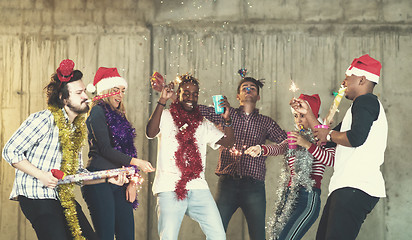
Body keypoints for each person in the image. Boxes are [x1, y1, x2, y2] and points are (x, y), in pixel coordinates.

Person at [2, 59, 128, 240]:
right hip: (36, 196)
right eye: (79, 92)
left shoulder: (76, 129)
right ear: (64, 98)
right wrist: (42, 175)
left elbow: (77, 174)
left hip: (62, 197)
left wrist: (109, 179)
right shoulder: (43, 119)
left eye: (84, 91)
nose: (85, 96)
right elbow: (10, 151)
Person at [292, 54, 387, 240]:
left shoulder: (366, 101)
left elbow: (356, 138)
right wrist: (308, 114)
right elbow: (325, 138)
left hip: (356, 186)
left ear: (361, 79)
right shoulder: (357, 108)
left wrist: (328, 134)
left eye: (348, 77)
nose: (343, 82)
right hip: (346, 187)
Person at [146, 74, 234, 240]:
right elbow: (150, 132)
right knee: (169, 237)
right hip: (169, 186)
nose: (190, 98)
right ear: (178, 94)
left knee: (218, 235)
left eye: (195, 94)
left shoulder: (203, 123)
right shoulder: (165, 115)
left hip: (198, 186)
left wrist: (227, 119)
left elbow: (228, 142)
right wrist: (162, 100)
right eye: (186, 93)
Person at [199, 76, 287, 240]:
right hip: (227, 184)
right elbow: (198, 110)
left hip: (254, 186)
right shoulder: (226, 113)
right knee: (215, 231)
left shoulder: (265, 122)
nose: (248, 89)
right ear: (238, 96)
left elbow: (287, 142)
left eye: (252, 88)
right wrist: (175, 98)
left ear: (258, 97)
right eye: (244, 87)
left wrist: (264, 149)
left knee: (257, 235)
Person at [245, 94, 335, 240]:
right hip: (289, 197)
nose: (298, 120)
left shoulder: (323, 136)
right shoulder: (295, 136)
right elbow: (280, 148)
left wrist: (306, 144)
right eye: (295, 116)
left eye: (302, 116)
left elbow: (330, 159)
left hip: (308, 197)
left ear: (312, 114)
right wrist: (261, 149)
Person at [81, 67, 155, 240]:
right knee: (105, 236)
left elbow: (127, 149)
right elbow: (105, 149)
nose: (120, 95)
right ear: (105, 91)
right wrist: (138, 163)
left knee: (127, 235)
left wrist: (132, 181)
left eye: (122, 91)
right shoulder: (97, 111)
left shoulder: (119, 115)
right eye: (116, 90)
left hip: (120, 181)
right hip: (99, 181)